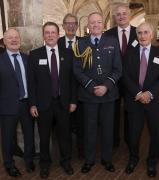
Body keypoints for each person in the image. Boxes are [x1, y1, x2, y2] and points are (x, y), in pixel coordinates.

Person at [73, 12, 122, 173]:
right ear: (88, 25)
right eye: (92, 22)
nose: (95, 25)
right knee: (90, 129)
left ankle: (107, 159)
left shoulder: (112, 42)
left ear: (103, 25)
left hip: (108, 95)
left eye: (99, 22)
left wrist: (106, 86)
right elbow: (77, 70)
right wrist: (92, 86)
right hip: (89, 95)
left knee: (108, 129)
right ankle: (89, 160)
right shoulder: (80, 43)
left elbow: (117, 69)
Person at [28, 21, 77, 178]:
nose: (50, 35)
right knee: (44, 137)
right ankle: (44, 164)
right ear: (43, 35)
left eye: (53, 32)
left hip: (63, 103)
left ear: (58, 34)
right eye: (47, 33)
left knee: (65, 136)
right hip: (43, 104)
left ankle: (66, 162)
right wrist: (33, 104)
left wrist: (73, 101)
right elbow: (31, 83)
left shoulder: (68, 54)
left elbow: (72, 80)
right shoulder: (35, 55)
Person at [123, 22, 159, 177]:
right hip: (134, 101)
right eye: (140, 33)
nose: (142, 36)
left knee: (155, 135)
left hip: (154, 102)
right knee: (133, 135)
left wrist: (149, 93)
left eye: (145, 32)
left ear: (152, 34)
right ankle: (133, 159)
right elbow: (125, 76)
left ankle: (152, 163)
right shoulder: (130, 53)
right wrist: (138, 93)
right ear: (137, 35)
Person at [0, 28, 34, 177]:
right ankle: (9, 164)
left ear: (20, 40)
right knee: (7, 137)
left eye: (16, 37)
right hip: (7, 106)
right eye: (10, 38)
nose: (14, 40)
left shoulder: (28, 59)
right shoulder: (0, 60)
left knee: (29, 134)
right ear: (4, 41)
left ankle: (29, 160)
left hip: (27, 104)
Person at [105, 3, 138, 147]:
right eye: (118, 14)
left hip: (132, 80)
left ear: (129, 14)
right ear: (115, 17)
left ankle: (130, 140)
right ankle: (114, 140)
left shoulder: (139, 32)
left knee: (131, 111)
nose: (121, 16)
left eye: (124, 13)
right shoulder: (108, 34)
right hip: (114, 80)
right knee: (113, 112)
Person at [58, 13, 84, 158]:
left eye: (73, 23)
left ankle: (82, 151)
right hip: (64, 92)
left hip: (82, 91)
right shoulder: (56, 43)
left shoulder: (84, 43)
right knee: (64, 125)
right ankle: (65, 154)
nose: (71, 26)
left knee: (82, 124)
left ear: (77, 26)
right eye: (67, 23)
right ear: (63, 26)